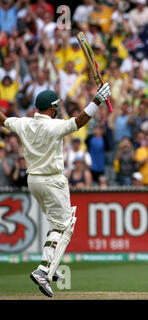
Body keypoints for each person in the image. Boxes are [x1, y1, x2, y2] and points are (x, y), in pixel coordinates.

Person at [0, 84, 111, 297]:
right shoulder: (54, 126)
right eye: (56, 106)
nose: (58, 109)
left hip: (34, 181)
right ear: (50, 108)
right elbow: (80, 121)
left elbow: (3, 119)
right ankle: (44, 270)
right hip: (52, 181)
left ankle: (52, 265)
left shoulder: (24, 123)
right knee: (65, 225)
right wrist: (96, 101)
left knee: (58, 224)